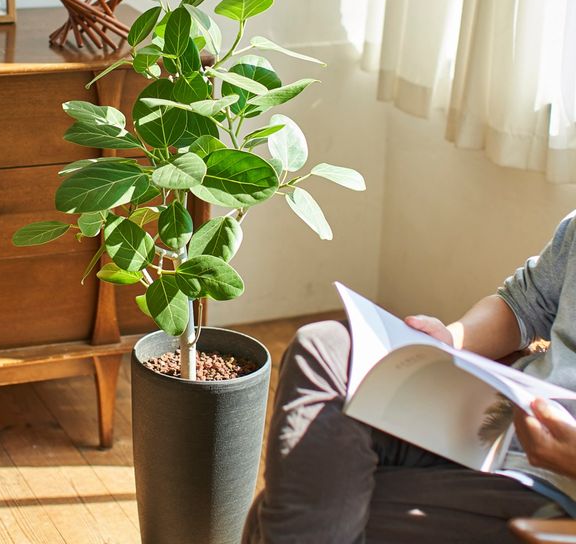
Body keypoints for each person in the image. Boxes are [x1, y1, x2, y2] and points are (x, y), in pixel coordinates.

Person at [242, 211, 576, 544]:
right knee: (324, 345)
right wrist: (451, 339)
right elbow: (523, 305)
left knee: (275, 516)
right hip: (494, 421)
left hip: (555, 491)